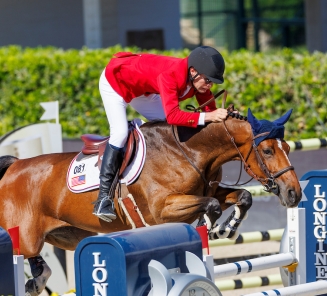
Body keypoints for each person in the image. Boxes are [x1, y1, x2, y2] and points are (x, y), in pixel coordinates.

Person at [93, 46, 228, 222]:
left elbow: (210, 110)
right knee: (120, 133)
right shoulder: (171, 75)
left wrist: (221, 120)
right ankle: (103, 198)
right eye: (208, 80)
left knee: (167, 128)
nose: (209, 85)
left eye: (212, 82)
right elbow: (174, 116)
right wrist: (208, 116)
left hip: (143, 91)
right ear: (193, 71)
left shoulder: (197, 80)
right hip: (116, 83)